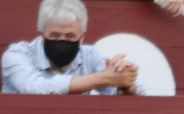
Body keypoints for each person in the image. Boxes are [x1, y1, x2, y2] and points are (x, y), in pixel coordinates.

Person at [2, 0, 153, 95]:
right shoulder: (17, 55)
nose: (62, 41)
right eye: (54, 35)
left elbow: (138, 91)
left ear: (82, 38)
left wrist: (125, 81)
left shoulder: (90, 55)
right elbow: (33, 88)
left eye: (70, 36)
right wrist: (103, 78)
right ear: (41, 34)